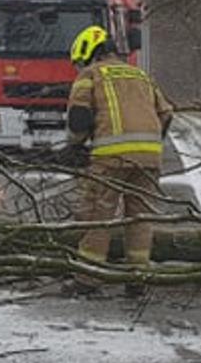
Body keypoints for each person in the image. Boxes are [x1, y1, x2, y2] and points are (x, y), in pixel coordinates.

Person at [66, 25, 174, 288]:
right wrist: (149, 143)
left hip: (110, 158)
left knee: (98, 215)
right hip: (149, 157)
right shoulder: (141, 75)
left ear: (89, 54)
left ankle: (87, 279)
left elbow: (79, 119)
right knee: (140, 217)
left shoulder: (90, 75)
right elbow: (167, 113)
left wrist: (75, 146)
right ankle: (137, 277)